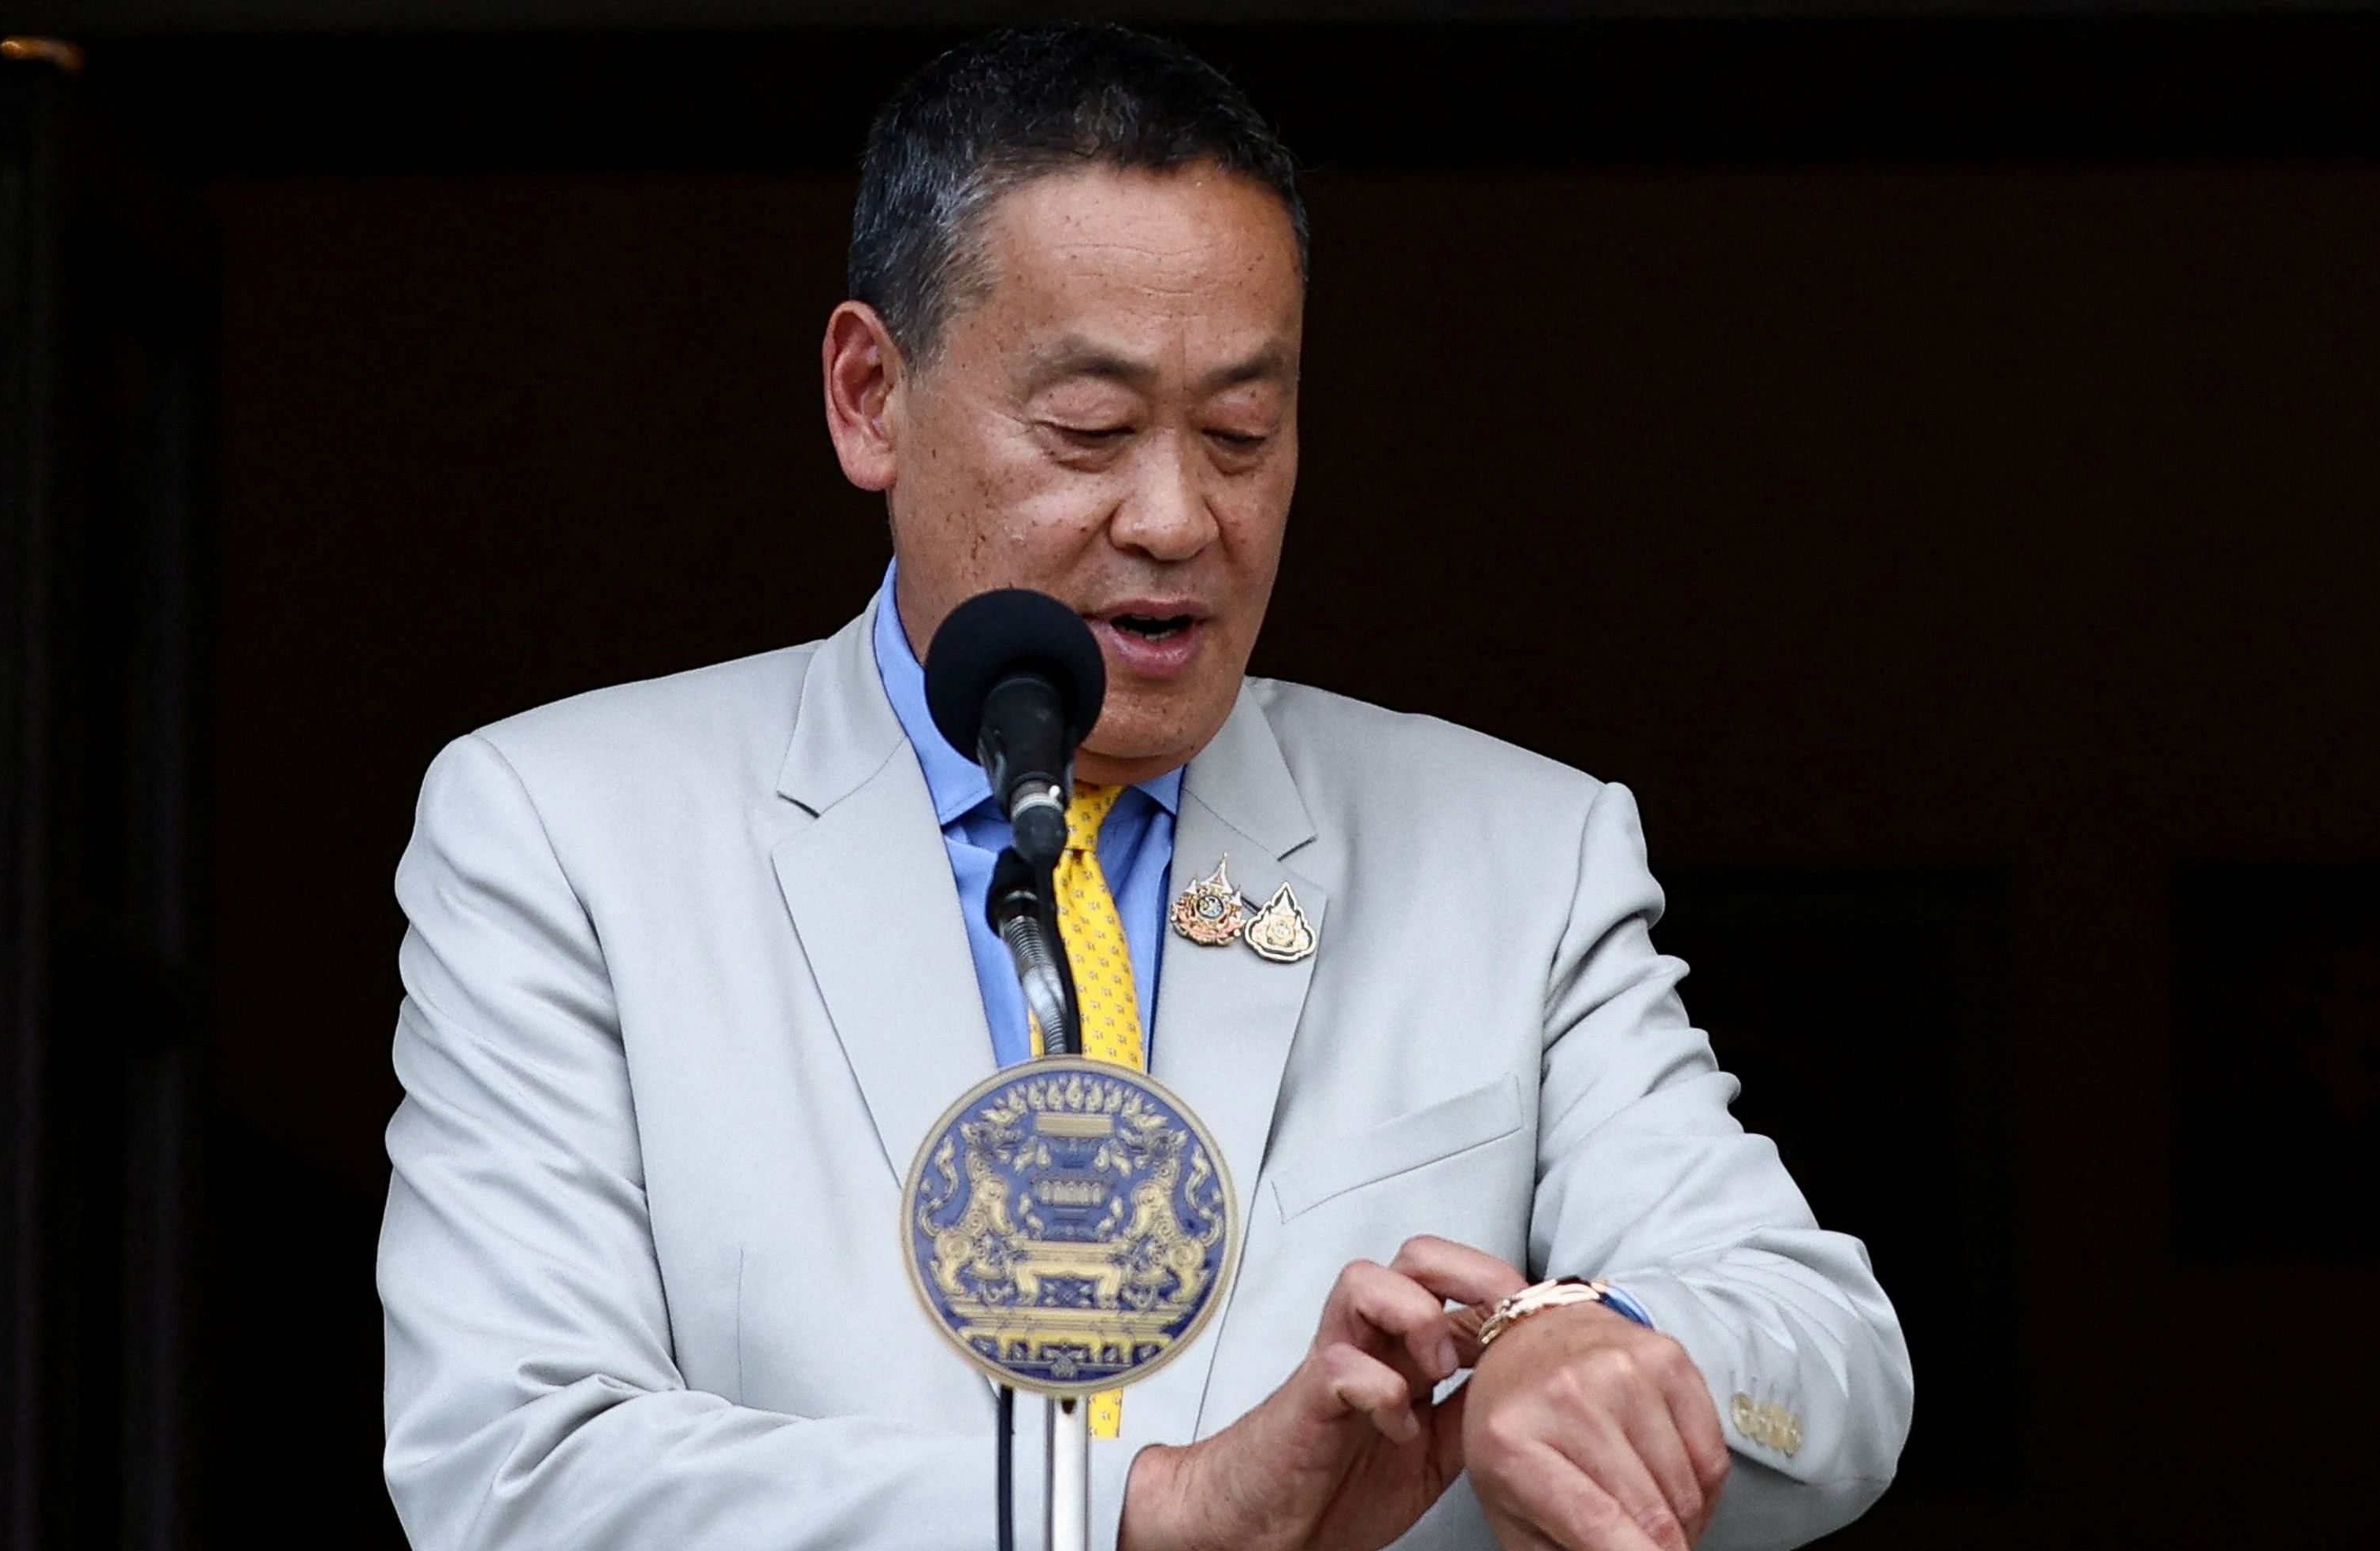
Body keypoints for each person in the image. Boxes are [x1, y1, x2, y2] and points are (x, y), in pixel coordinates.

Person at [378, 22, 1909, 1551]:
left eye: (1241, 430)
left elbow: (1830, 1361)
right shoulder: (567, 831)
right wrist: (1144, 1513)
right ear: (868, 396)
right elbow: (513, 1467)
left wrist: (1587, 1339)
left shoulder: (1520, 850)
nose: (1178, 516)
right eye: (1089, 430)